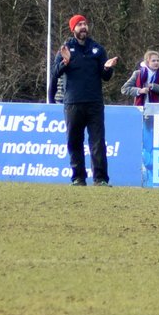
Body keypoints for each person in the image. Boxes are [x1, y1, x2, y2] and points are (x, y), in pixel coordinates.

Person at [50, 14, 118, 186]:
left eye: (85, 24)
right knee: (74, 141)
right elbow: (55, 73)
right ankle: (78, 177)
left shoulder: (97, 49)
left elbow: (105, 77)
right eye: (79, 24)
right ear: (73, 29)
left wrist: (107, 68)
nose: (83, 27)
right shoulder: (66, 49)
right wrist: (65, 62)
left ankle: (100, 179)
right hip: (73, 103)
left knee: (97, 142)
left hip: (94, 102)